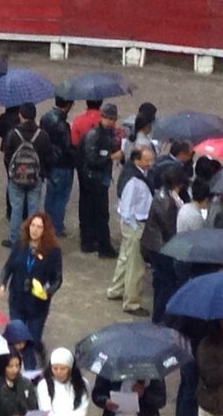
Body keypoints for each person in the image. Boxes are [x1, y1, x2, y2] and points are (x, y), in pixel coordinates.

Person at [0, 211, 63, 347]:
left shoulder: (53, 251)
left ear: (45, 230)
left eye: (39, 227)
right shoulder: (20, 244)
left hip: (37, 304)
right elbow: (8, 267)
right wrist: (2, 284)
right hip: (17, 300)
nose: (35, 230)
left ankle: (35, 360)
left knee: (33, 341)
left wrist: (48, 291)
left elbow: (58, 278)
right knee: (17, 338)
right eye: (33, 225)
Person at [108, 144, 155, 316]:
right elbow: (127, 208)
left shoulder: (133, 173)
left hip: (132, 223)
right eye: (147, 160)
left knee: (125, 258)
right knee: (136, 266)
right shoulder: (134, 181)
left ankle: (116, 289)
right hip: (135, 223)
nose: (150, 163)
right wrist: (135, 228)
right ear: (137, 160)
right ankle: (131, 302)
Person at [1, 102, 52, 247]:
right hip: (36, 177)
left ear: (20, 115)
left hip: (16, 178)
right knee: (33, 209)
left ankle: (14, 239)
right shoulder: (42, 135)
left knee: (16, 209)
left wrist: (11, 173)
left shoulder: (13, 134)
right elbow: (47, 156)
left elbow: (7, 156)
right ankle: (33, 240)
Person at [142, 165, 188, 324]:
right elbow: (170, 229)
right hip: (161, 249)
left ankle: (159, 317)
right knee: (165, 286)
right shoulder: (166, 202)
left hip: (157, 246)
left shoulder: (165, 195)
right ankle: (160, 320)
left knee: (161, 285)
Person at [78, 102, 122, 258]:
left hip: (98, 178)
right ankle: (103, 246)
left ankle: (91, 240)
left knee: (94, 212)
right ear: (103, 117)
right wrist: (111, 157)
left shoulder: (106, 134)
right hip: (93, 179)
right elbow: (92, 160)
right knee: (100, 213)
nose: (112, 122)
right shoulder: (94, 135)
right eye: (110, 119)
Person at [39, 96, 75, 236]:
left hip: (50, 161)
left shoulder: (45, 118)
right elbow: (67, 146)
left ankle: (48, 224)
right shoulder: (62, 125)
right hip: (63, 163)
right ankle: (57, 226)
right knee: (61, 197)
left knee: (51, 195)